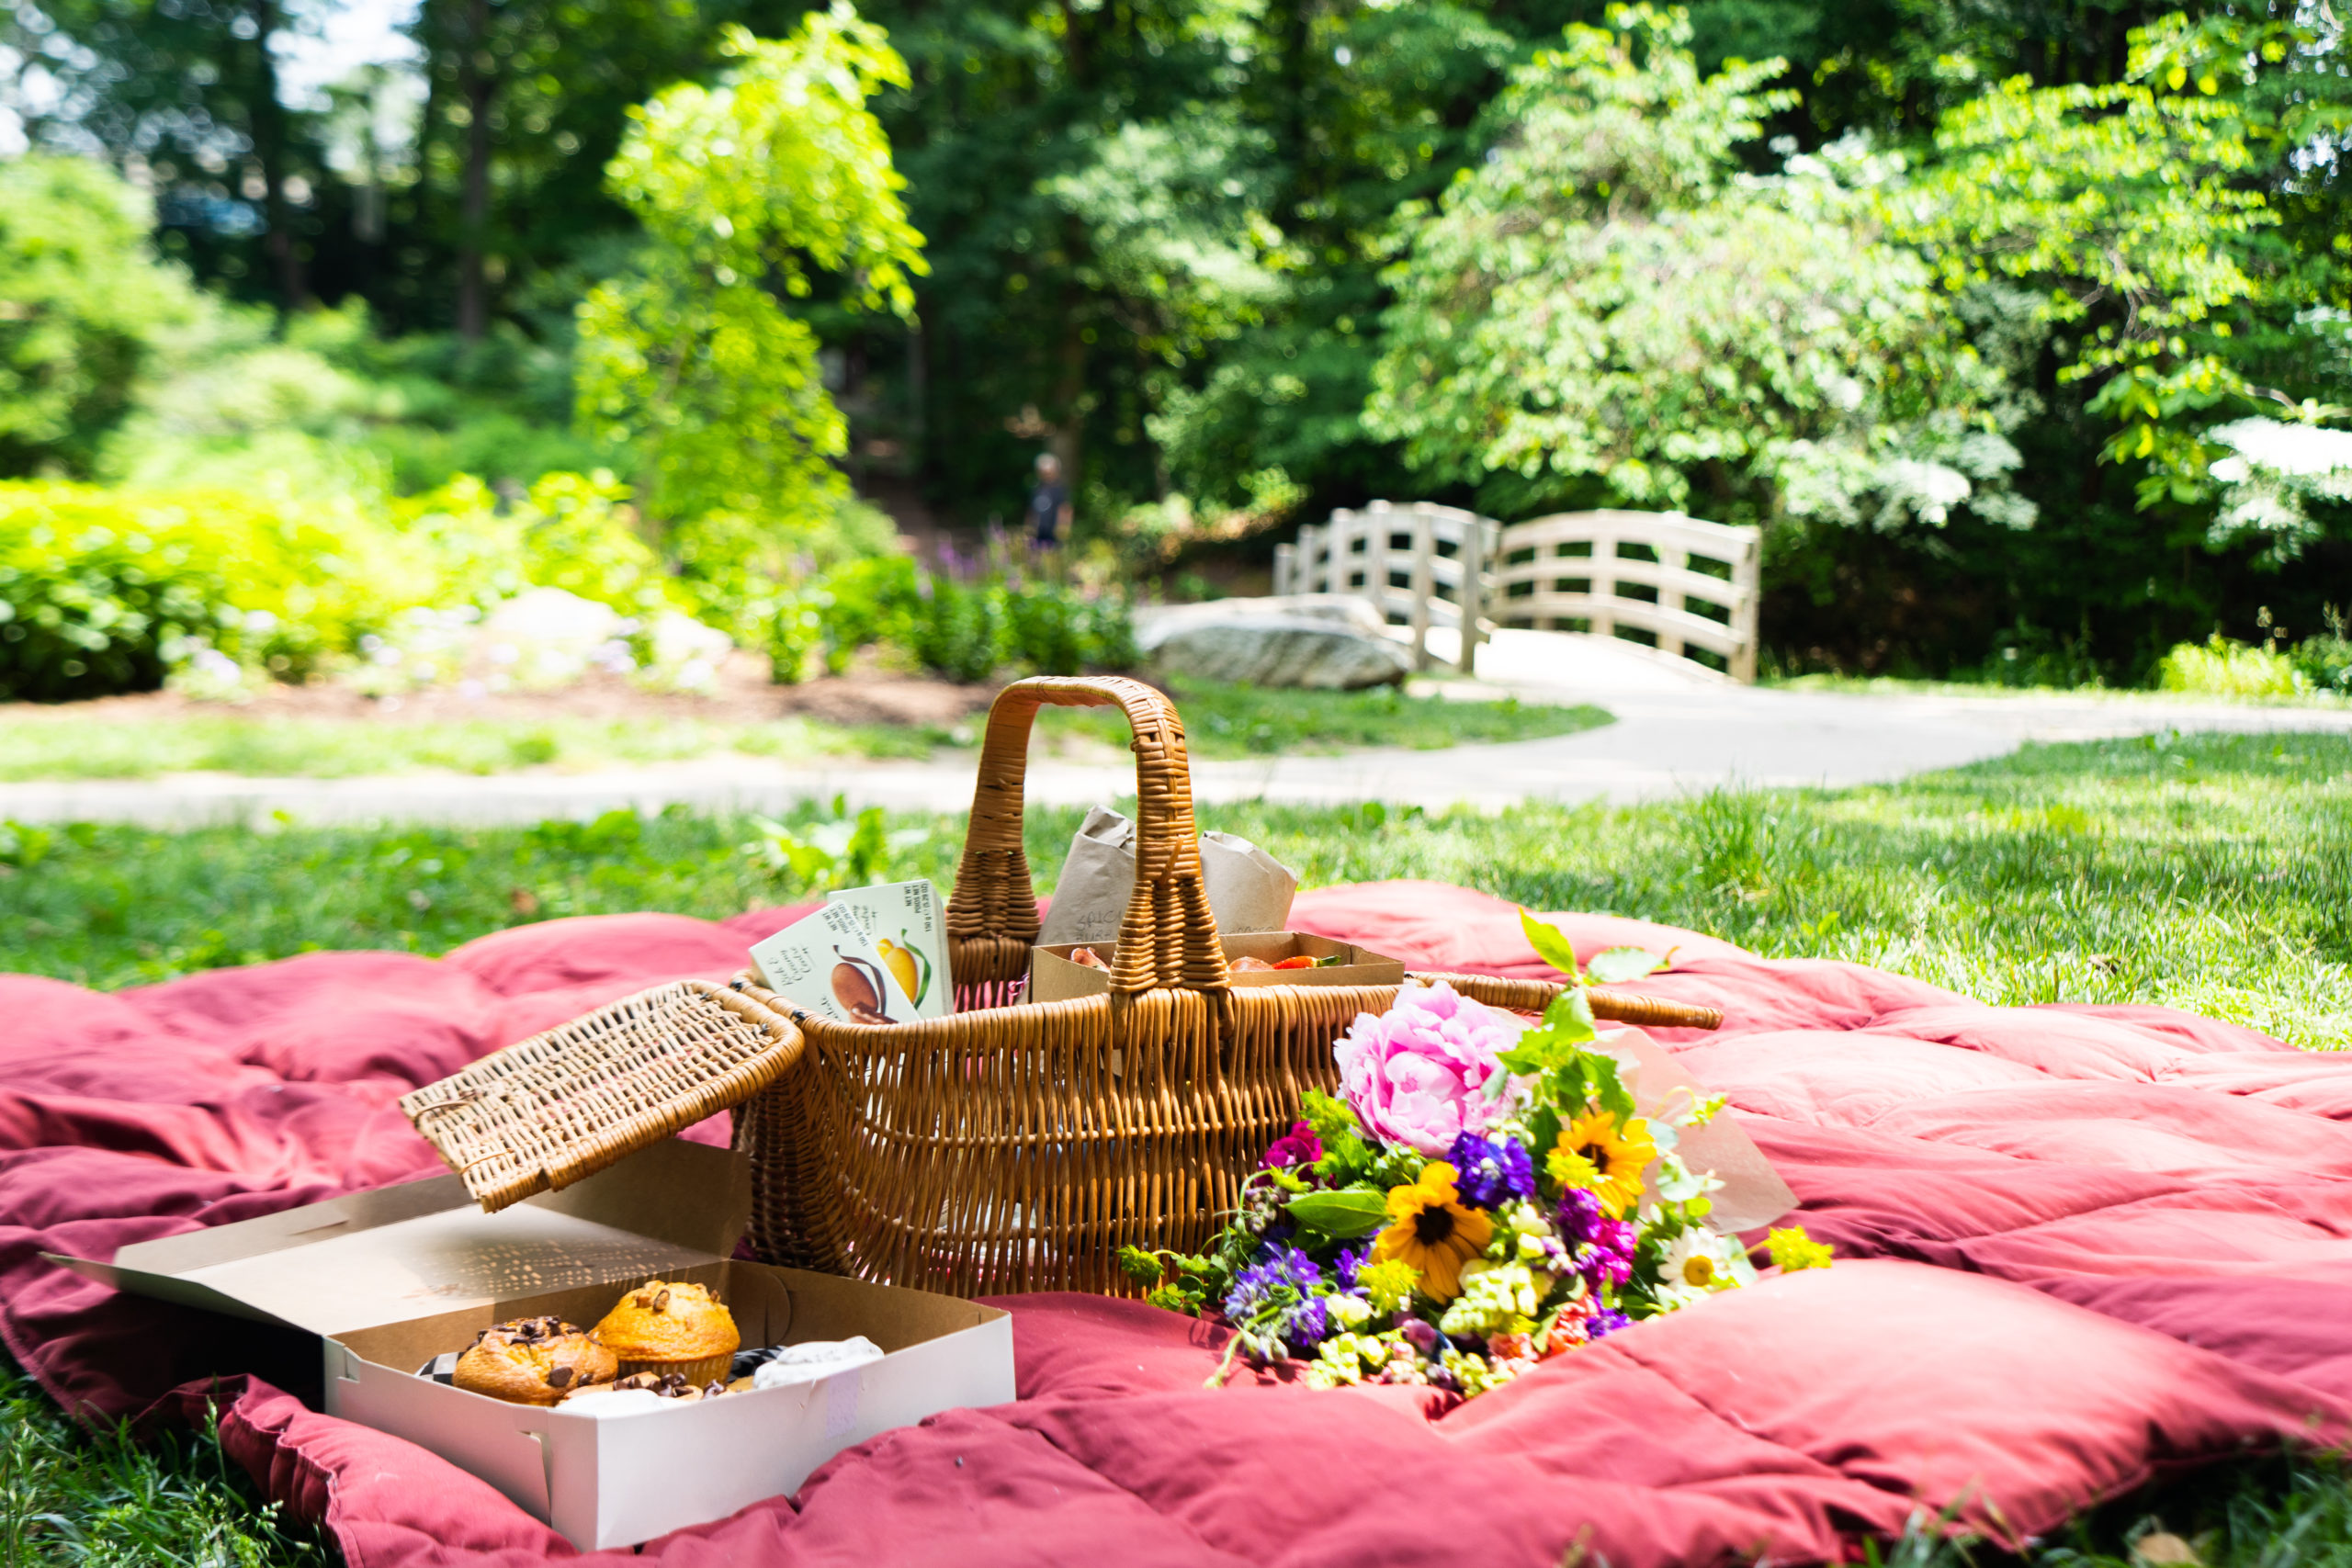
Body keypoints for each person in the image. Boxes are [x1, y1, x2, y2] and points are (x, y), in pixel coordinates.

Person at [1026, 453, 1071, 551]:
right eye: (1043, 472)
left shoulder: (1060, 489)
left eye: (1048, 472)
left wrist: (1063, 529)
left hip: (1054, 533)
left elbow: (1065, 509)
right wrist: (1029, 527)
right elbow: (1031, 509)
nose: (1046, 475)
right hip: (1038, 532)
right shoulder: (1037, 488)